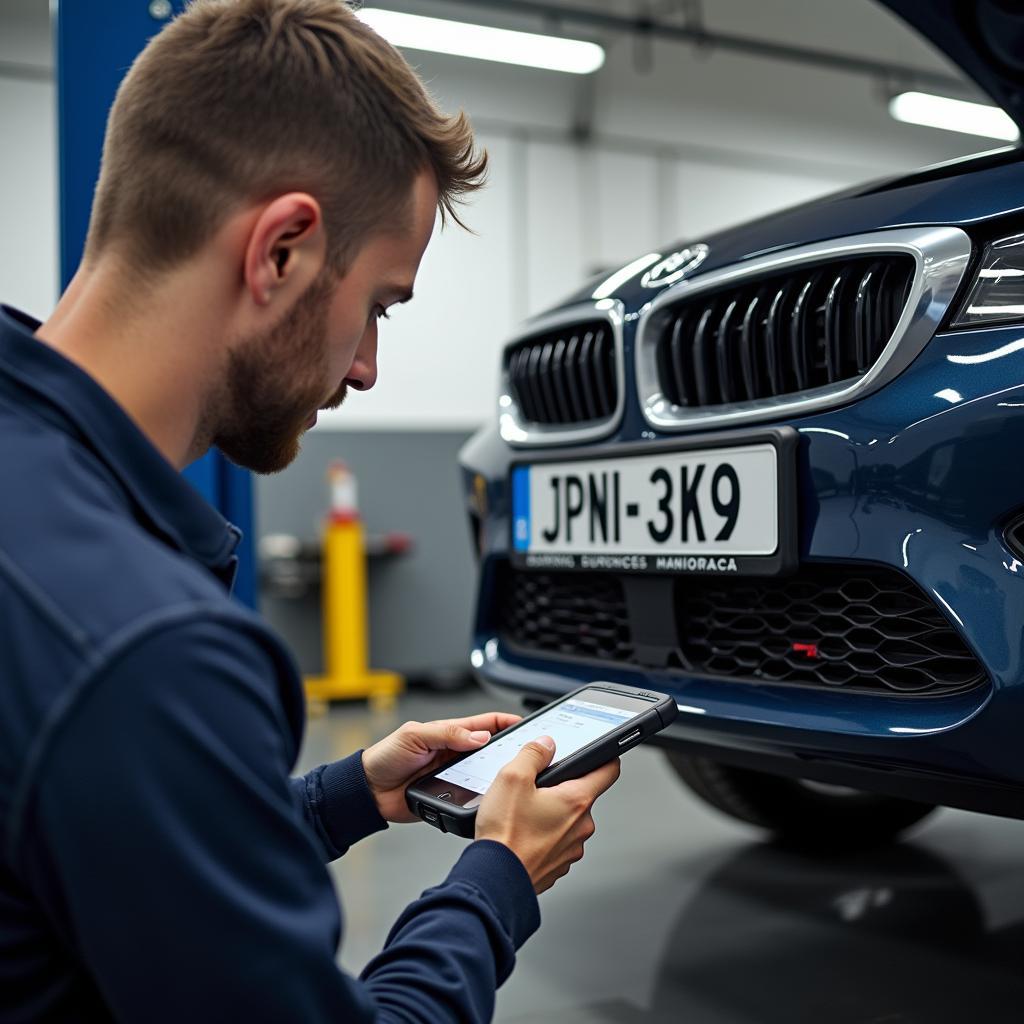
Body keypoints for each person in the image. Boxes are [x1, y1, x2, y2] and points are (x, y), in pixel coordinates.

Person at [0, 1, 622, 1020]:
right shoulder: (144, 650)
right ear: (281, 249)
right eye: (379, 304)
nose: (368, 369)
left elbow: (105, 852)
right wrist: (496, 881)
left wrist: (352, 794)